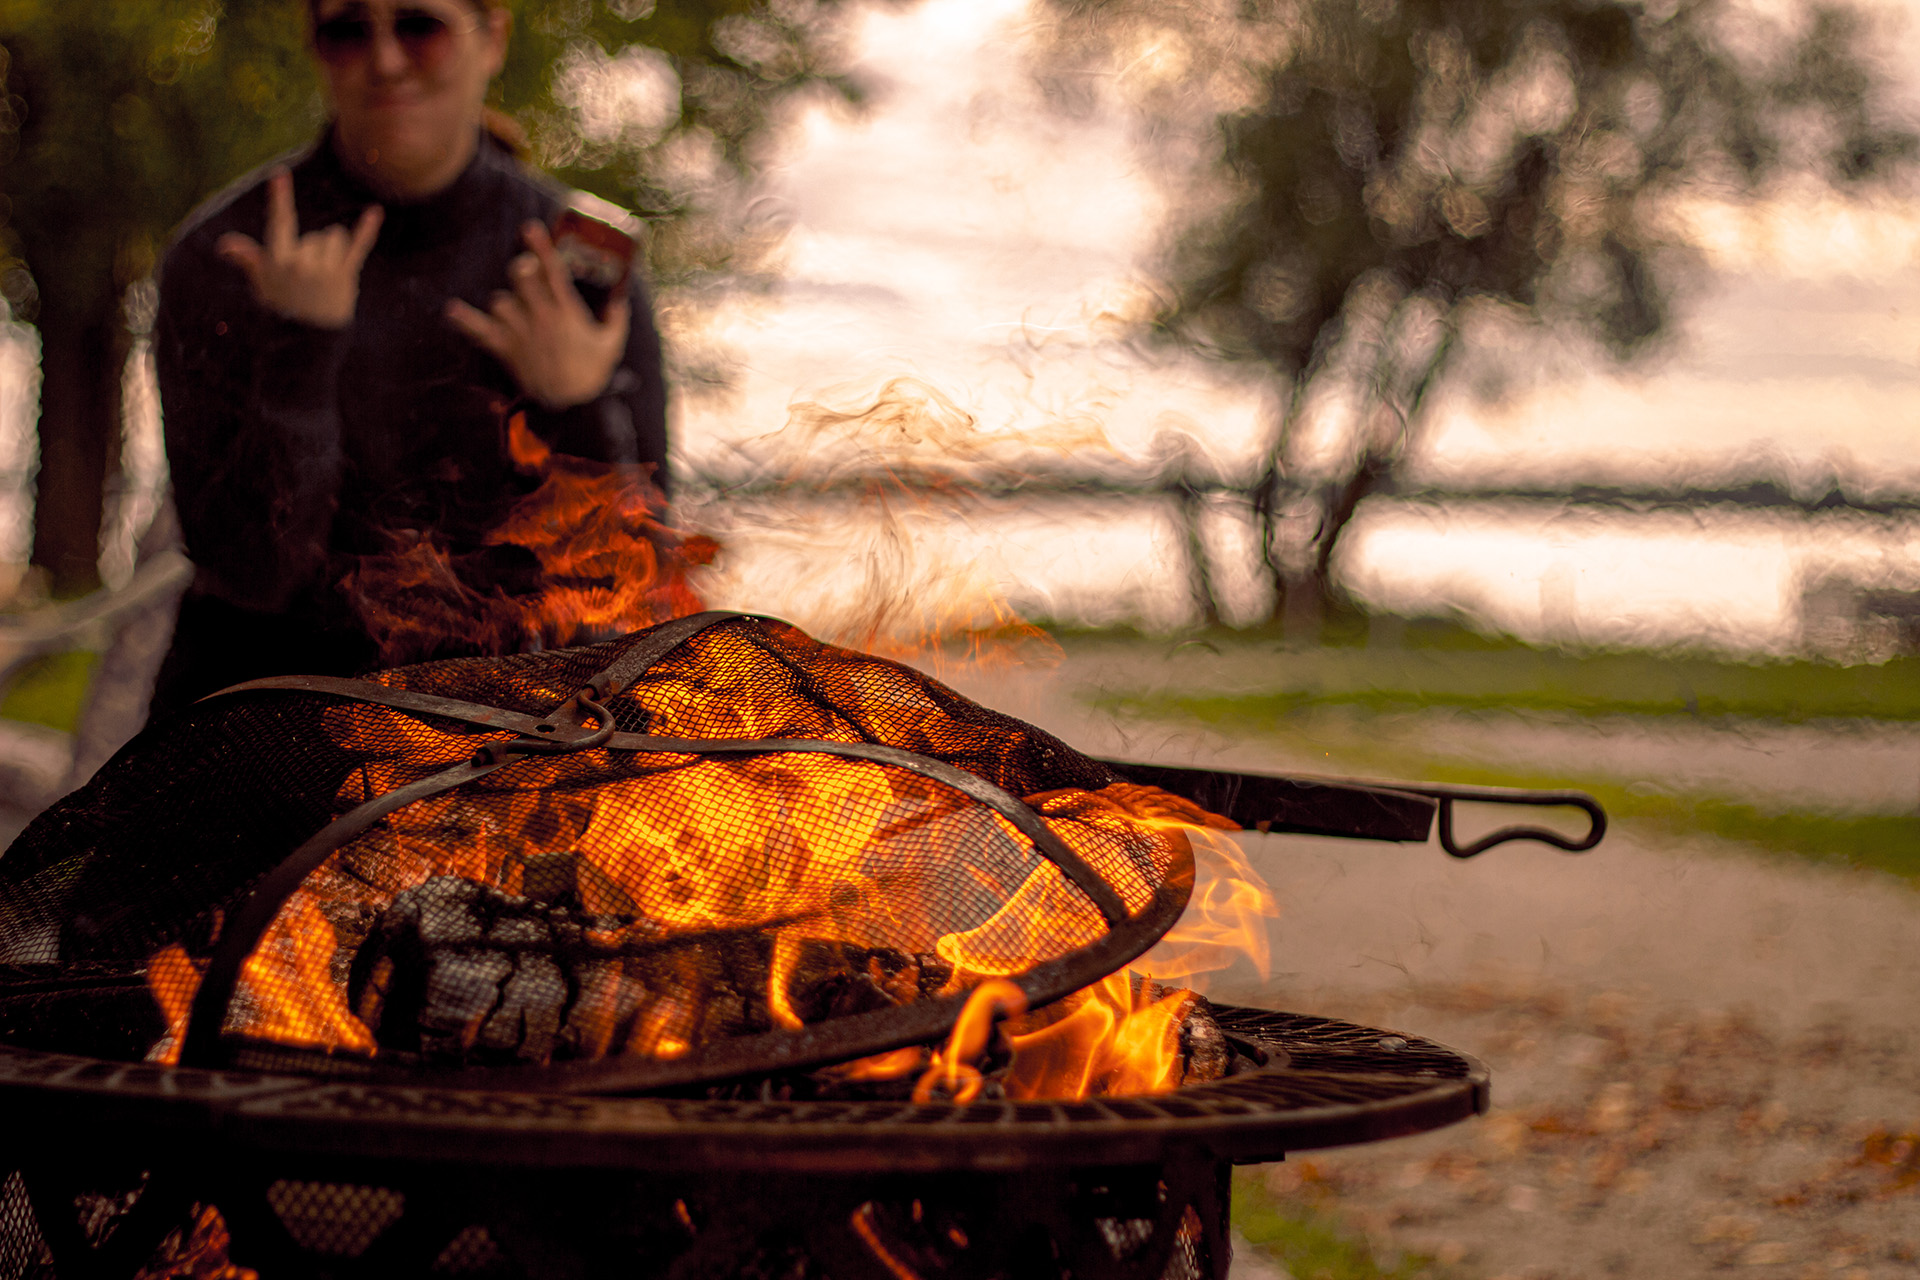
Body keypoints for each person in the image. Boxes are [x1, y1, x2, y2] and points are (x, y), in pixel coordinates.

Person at [149, 0, 668, 718]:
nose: (386, 59)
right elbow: (248, 572)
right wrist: (300, 348)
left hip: (509, 739)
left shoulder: (574, 264)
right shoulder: (227, 255)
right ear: (316, 47)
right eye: (348, 29)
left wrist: (582, 404)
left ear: (491, 37)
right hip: (263, 729)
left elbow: (639, 590)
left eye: (419, 25)